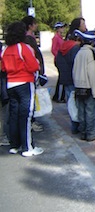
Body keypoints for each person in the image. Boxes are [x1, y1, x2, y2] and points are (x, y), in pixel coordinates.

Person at [1, 21, 43, 157]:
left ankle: (15, 145)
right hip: (25, 83)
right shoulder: (23, 47)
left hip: (10, 84)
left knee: (14, 115)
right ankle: (27, 147)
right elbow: (33, 66)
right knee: (25, 116)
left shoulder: (6, 49)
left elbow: (3, 68)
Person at [57, 17, 86, 134]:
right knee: (78, 103)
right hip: (75, 79)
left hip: (66, 78)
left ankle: (74, 126)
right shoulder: (75, 48)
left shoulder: (64, 46)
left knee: (71, 103)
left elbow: (57, 61)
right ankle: (78, 127)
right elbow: (76, 64)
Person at [72, 30, 95, 142]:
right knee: (90, 112)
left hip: (78, 86)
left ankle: (83, 132)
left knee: (81, 111)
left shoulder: (79, 53)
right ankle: (91, 133)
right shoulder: (91, 54)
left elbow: (74, 71)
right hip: (89, 87)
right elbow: (93, 74)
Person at [21, 16, 47, 132]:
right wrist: (39, 69)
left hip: (34, 72)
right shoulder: (28, 39)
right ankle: (31, 122)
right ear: (30, 26)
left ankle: (32, 121)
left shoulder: (29, 38)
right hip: (32, 73)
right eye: (35, 23)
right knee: (30, 99)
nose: (36, 25)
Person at [52, 22, 66, 103]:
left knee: (61, 78)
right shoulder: (56, 38)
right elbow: (53, 49)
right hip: (59, 60)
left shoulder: (60, 38)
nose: (63, 29)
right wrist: (59, 57)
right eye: (61, 27)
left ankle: (58, 96)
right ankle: (59, 96)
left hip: (62, 59)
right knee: (61, 78)